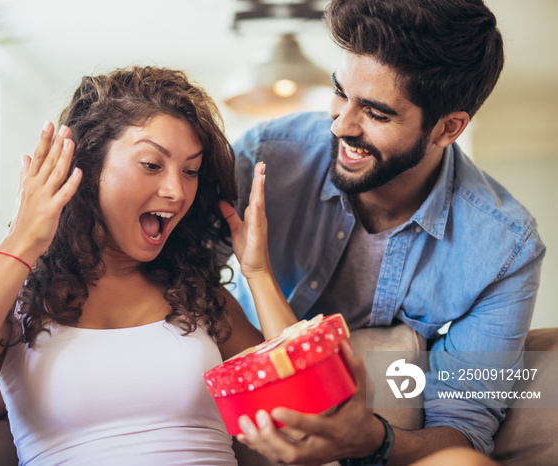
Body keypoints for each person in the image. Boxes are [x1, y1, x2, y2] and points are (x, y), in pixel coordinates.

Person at [0, 66, 298, 465]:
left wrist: (258, 273)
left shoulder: (198, 297)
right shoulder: (20, 303)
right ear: (86, 170)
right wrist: (22, 239)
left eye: (190, 171)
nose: (177, 191)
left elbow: (304, 414)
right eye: (152, 165)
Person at [227, 0, 546, 465]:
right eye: (340, 92)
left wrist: (371, 439)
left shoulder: (504, 247)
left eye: (376, 113)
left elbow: (463, 429)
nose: (340, 124)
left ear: (448, 128)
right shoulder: (266, 156)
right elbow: (172, 275)